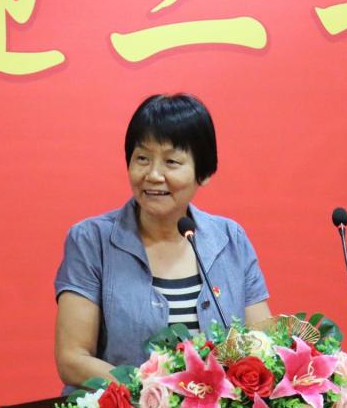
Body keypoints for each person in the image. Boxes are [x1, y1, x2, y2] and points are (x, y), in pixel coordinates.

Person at [54, 93, 272, 389]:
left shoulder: (231, 239)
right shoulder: (91, 241)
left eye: (171, 161)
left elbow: (262, 344)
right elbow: (72, 359)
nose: (153, 175)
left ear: (204, 172)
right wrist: (157, 392)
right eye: (142, 158)